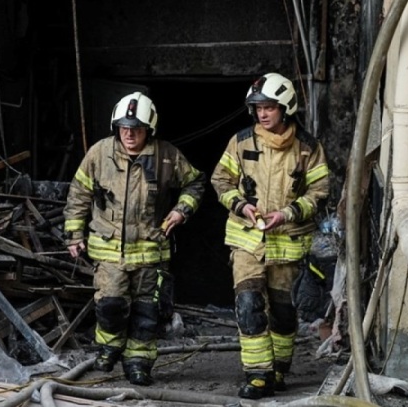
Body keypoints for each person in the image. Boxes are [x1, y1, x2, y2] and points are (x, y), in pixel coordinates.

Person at [63, 91, 205, 386]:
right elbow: (79, 195)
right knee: (110, 306)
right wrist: (74, 234)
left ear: (148, 130)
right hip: (110, 251)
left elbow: (195, 182)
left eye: (137, 129)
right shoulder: (99, 154)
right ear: (117, 127)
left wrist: (181, 211)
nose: (129, 134)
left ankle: (138, 364)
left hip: (151, 253)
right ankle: (110, 346)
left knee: (146, 313)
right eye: (124, 128)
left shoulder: (166, 156)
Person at [210, 73, 330, 399]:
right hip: (248, 240)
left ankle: (278, 370)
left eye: (269, 108)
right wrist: (240, 205)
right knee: (248, 305)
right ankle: (258, 375)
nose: (262, 114)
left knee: (283, 312)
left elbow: (320, 191)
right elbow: (220, 180)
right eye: (258, 108)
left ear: (285, 107)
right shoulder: (241, 142)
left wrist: (288, 213)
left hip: (289, 243)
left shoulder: (307, 149)